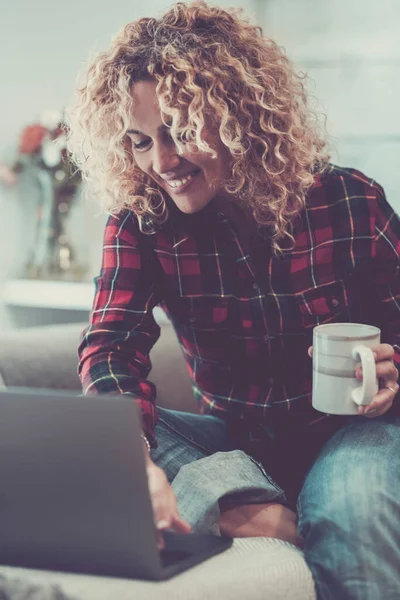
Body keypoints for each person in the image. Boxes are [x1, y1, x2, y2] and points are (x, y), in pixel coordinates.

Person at [66, 2, 400, 598]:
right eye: (140, 141)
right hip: (235, 435)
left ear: (240, 118)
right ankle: (274, 510)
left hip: (351, 431)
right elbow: (111, 351)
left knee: (354, 503)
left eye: (180, 132)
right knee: (98, 432)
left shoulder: (348, 201)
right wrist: (132, 460)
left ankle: (248, 505)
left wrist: (393, 375)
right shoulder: (141, 222)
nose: (161, 163)